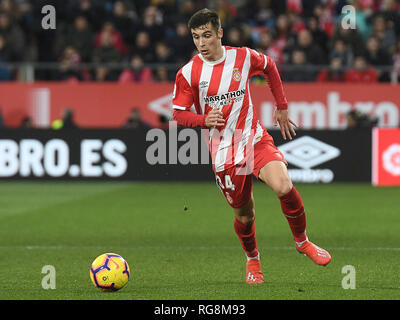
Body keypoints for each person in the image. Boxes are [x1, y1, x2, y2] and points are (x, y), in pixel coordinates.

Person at [172, 8, 331, 284]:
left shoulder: (243, 57)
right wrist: (202, 119)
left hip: (254, 138)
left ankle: (303, 241)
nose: (201, 43)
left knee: (283, 185)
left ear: (219, 34)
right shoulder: (188, 73)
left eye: (207, 35)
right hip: (224, 152)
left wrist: (281, 106)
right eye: (196, 37)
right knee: (245, 216)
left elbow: (269, 65)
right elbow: (178, 113)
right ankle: (253, 260)